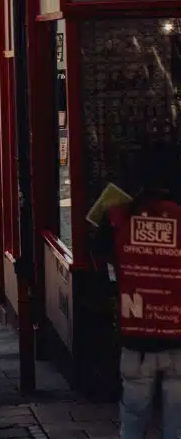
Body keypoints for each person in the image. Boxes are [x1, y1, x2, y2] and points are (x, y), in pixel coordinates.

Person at [94, 154, 181, 439]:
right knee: (176, 423)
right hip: (176, 335)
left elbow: (98, 255)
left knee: (132, 420)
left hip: (136, 337)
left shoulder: (118, 218)